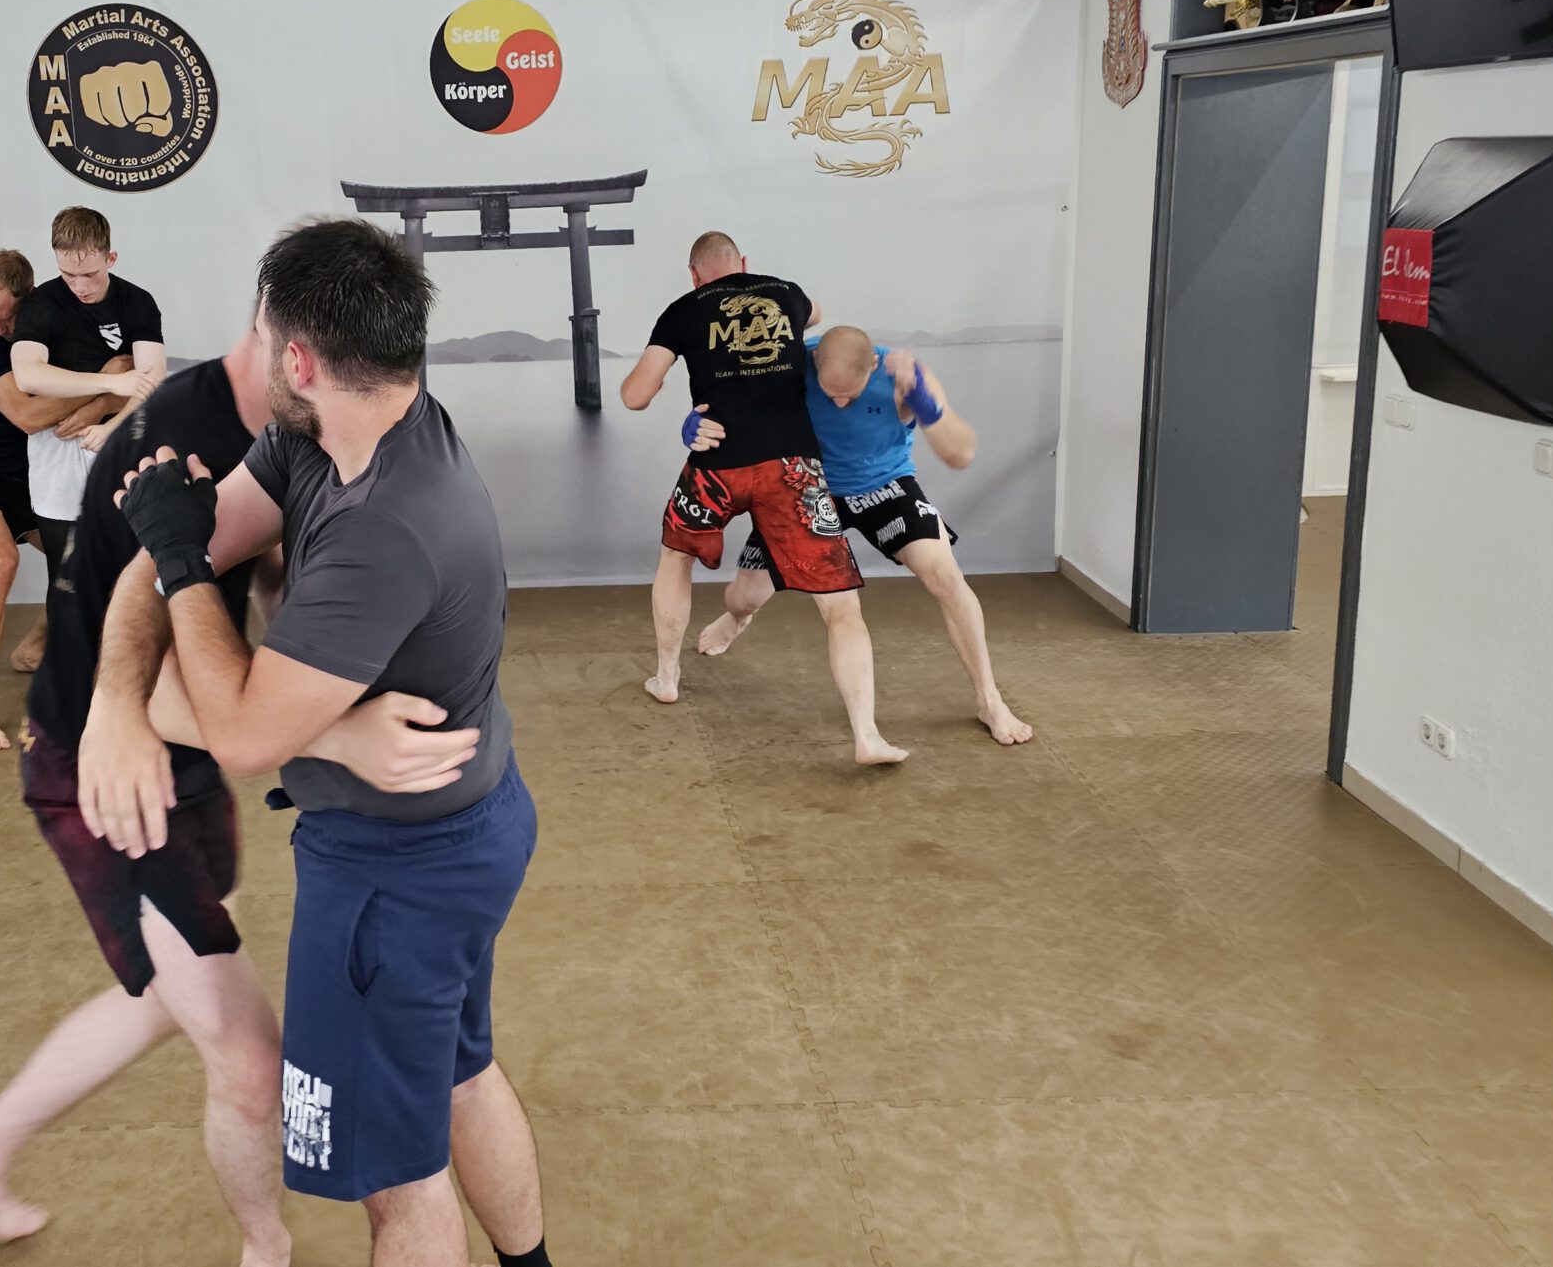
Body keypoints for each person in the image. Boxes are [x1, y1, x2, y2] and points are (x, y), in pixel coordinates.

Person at [0, 314, 480, 1256]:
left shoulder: (282, 429)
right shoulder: (190, 434)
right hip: (112, 764)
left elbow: (259, 585)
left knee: (167, 991)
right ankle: (265, 1247)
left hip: (190, 750)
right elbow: (156, 662)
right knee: (248, 1057)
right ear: (295, 353)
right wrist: (336, 732)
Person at [84, 219, 555, 1267]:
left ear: (298, 361)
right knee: (458, 1073)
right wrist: (130, 688)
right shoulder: (337, 427)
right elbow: (192, 545)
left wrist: (171, 560)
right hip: (464, 828)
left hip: (395, 877)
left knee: (398, 1181)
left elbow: (237, 729)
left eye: (259, 336)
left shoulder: (387, 526)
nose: (246, 354)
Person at [619, 231, 904, 766]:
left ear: (694, 275)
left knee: (675, 559)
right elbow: (819, 313)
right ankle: (867, 736)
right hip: (792, 469)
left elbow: (635, 396)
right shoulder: (788, 293)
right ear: (744, 263)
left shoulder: (681, 310)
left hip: (718, 464)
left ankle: (666, 677)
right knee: (841, 606)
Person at [687, 326, 1034, 745]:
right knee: (741, 598)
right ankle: (737, 619)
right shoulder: (791, 367)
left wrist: (924, 404)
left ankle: (989, 699)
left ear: (872, 366)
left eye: (849, 395)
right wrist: (699, 426)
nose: (838, 402)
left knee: (946, 576)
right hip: (809, 489)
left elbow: (961, 454)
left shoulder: (902, 375)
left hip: (884, 486)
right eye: (829, 393)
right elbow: (736, 412)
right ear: (814, 362)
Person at [0, 249, 122, 750]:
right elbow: (27, 415)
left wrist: (105, 394)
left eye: (7, 318)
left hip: (28, 473)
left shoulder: (60, 322)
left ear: (31, 297)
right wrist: (103, 384)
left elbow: (129, 375)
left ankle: (34, 646)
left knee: (82, 563)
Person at [7, 207, 164, 669]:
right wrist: (109, 382)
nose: (80, 285)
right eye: (69, 274)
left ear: (110, 258)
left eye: (90, 274)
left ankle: (130, 667)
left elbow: (151, 379)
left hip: (121, 444)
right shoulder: (42, 303)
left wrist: (108, 419)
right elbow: (29, 375)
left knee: (132, 563)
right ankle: (73, 670)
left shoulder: (136, 301)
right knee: (66, 570)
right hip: (59, 451)